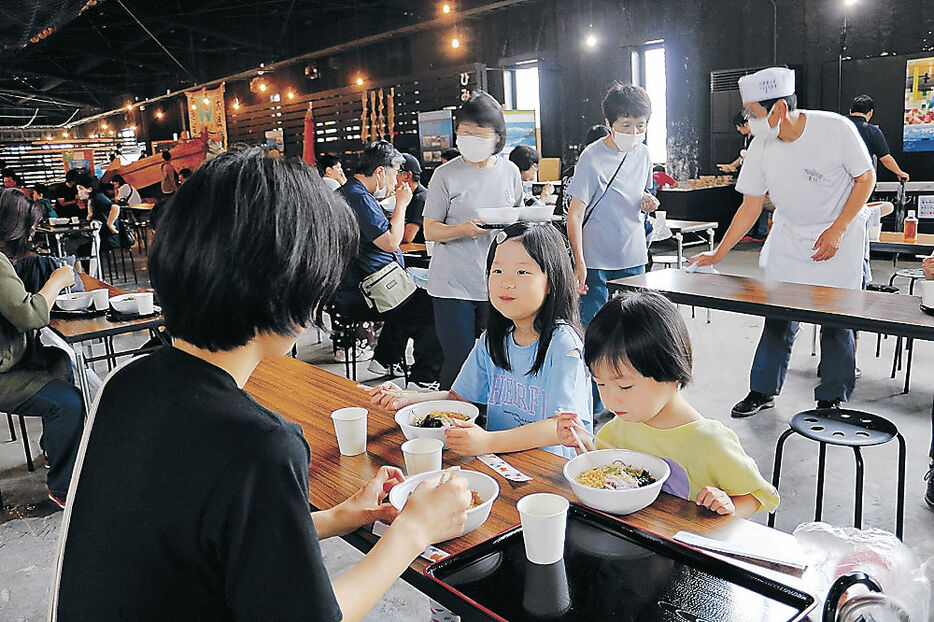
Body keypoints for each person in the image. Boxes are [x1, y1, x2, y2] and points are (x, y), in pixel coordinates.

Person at [50, 146, 470, 621]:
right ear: (293, 288)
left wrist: (338, 517)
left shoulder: (125, 383)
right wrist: (413, 531)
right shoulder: (259, 444)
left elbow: (204, 537)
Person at [691, 67, 874, 416]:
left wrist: (837, 229)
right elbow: (751, 204)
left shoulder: (835, 129)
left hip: (838, 236)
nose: (749, 120)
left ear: (777, 109)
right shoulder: (761, 145)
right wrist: (719, 253)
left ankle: (832, 396)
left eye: (753, 113)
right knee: (777, 315)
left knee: (836, 319)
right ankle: (762, 390)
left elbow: (865, 179)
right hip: (790, 237)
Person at [371, 222, 592, 458]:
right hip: (501, 461)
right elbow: (458, 398)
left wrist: (488, 441)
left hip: (548, 469)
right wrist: (408, 398)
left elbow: (561, 427)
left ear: (552, 281)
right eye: (497, 271)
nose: (506, 282)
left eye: (522, 272)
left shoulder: (564, 344)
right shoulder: (493, 339)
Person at [555, 291, 778, 517]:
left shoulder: (710, 442)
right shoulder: (620, 426)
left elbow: (758, 495)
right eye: (600, 384)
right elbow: (607, 469)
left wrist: (728, 508)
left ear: (670, 370)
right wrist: (582, 442)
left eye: (624, 387)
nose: (611, 400)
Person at [423, 90, 524, 390]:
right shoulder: (445, 175)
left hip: (496, 282)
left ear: (497, 137)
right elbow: (430, 230)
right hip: (452, 284)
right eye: (464, 133)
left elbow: (516, 217)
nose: (470, 140)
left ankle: (486, 423)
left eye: (479, 135)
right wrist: (464, 229)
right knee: (460, 360)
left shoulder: (510, 171)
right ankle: (450, 424)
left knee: (497, 356)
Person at [0, 189, 83, 509]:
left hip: (12, 358)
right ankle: (64, 487)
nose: (33, 235)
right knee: (69, 402)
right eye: (31, 229)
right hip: (5, 369)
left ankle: (55, 448)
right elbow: (29, 315)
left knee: (61, 360)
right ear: (15, 228)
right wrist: (58, 281)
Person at [336, 141, 442, 389]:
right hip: (365, 291)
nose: (396, 182)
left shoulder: (348, 194)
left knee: (410, 299)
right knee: (432, 305)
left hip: (358, 286)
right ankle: (424, 379)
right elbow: (392, 242)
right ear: (380, 172)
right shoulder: (358, 198)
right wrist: (402, 204)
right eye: (394, 173)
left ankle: (385, 360)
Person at [566, 83, 659, 327]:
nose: (634, 132)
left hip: (633, 253)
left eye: (641, 125)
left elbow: (640, 193)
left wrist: (647, 201)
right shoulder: (591, 156)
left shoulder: (645, 154)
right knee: (592, 325)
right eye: (626, 125)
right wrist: (579, 261)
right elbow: (574, 215)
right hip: (595, 258)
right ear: (609, 123)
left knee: (634, 325)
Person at [847, 95, 910, 182]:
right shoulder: (872, 131)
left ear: (850, 111)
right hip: (861, 182)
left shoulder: (837, 126)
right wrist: (899, 172)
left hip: (834, 181)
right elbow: (885, 159)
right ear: (870, 113)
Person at [76, 175, 122, 250]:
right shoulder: (92, 199)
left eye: (80, 189)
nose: (79, 192)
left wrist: (109, 224)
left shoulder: (98, 197)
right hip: (100, 234)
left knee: (77, 247)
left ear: (89, 189)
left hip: (107, 238)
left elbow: (115, 207)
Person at [399, 153, 427, 243]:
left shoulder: (420, 199)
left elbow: (407, 238)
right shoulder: (411, 195)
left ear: (408, 176)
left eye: (395, 172)